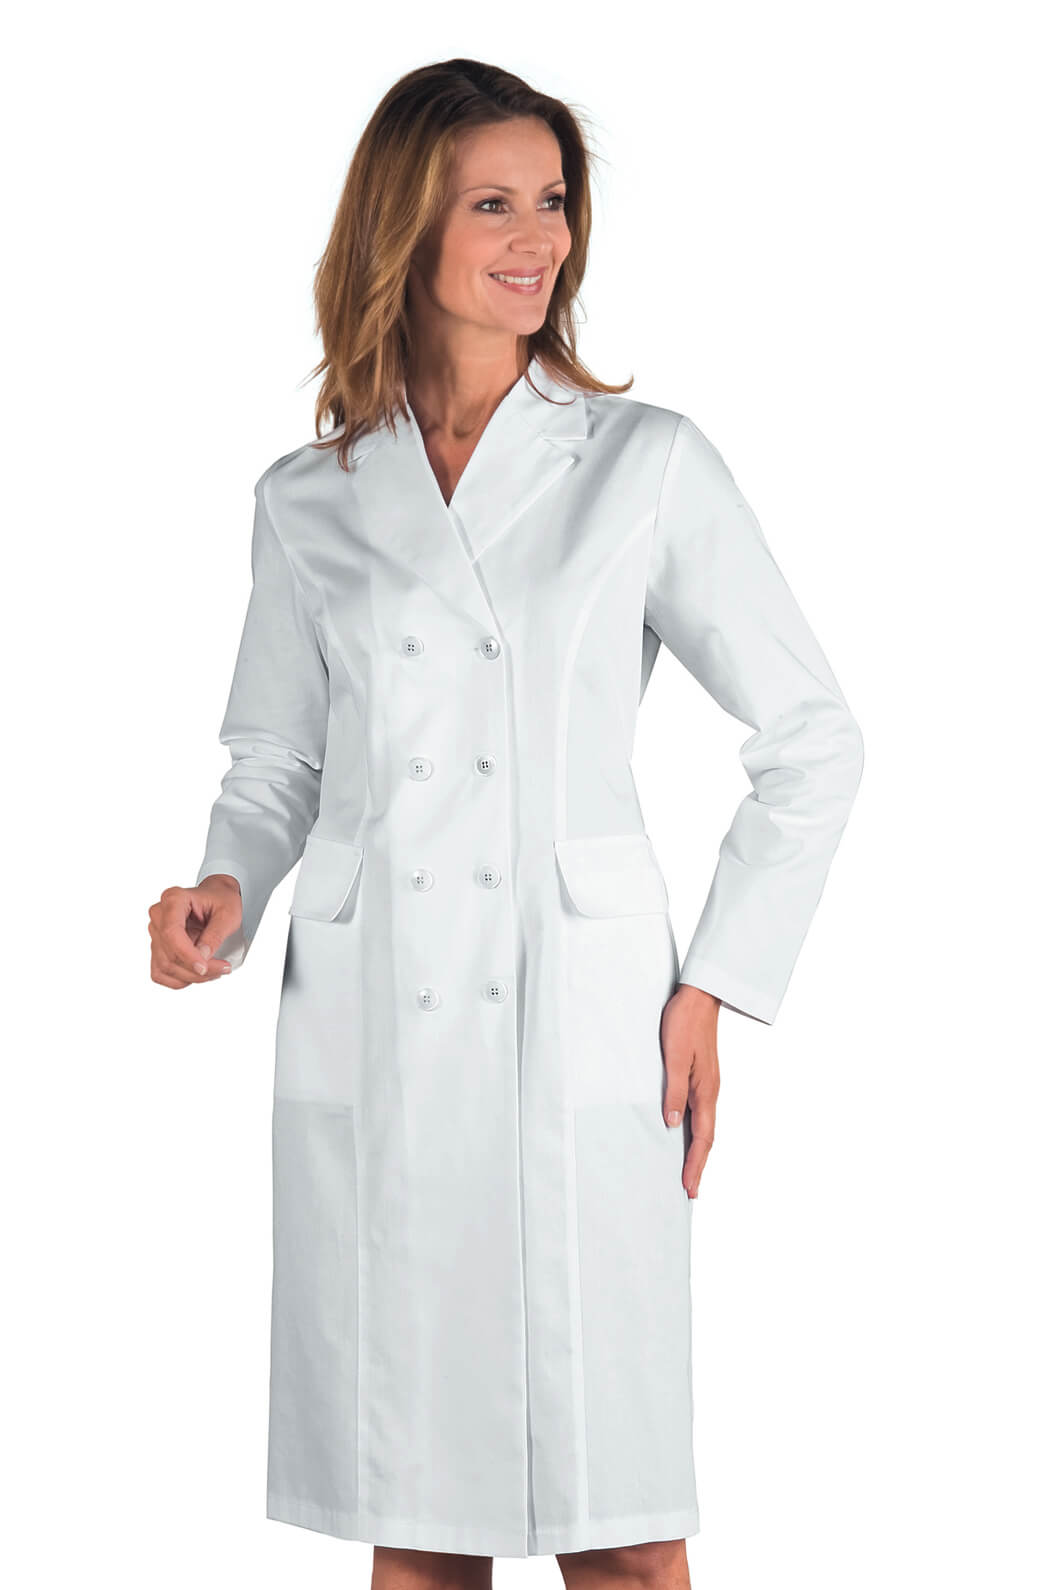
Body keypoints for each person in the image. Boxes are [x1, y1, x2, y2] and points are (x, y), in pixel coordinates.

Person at [148, 57, 864, 1589]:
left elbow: (813, 737)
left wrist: (715, 978)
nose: (539, 237)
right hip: (381, 1030)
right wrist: (226, 884)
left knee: (622, 1529)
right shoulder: (310, 497)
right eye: (494, 204)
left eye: (552, 201)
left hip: (581, 1026)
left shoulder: (645, 464)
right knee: (422, 1533)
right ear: (403, 226)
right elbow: (277, 758)